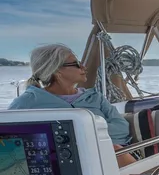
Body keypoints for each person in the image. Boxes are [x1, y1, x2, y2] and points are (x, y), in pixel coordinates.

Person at [8, 44, 136, 167]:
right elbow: (9, 138)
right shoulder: (28, 102)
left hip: (112, 155)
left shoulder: (95, 97)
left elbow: (122, 129)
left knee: (112, 149)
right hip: (59, 162)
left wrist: (84, 137)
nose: (83, 67)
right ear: (57, 70)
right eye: (76, 64)